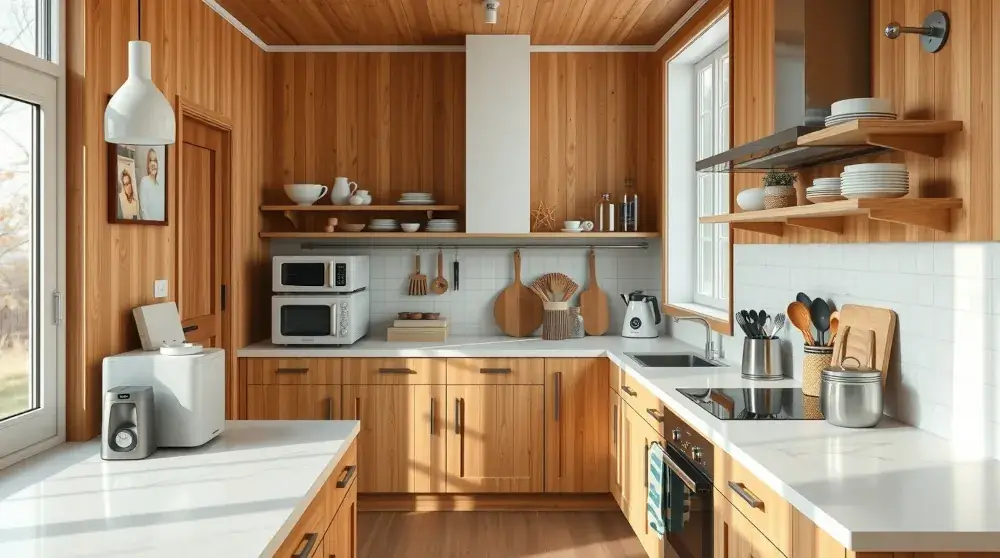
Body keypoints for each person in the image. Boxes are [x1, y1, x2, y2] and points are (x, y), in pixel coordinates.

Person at [138, 148, 165, 221]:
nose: (153, 164)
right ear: (147, 164)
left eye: (155, 161)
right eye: (150, 161)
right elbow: (143, 211)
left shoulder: (159, 185)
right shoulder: (144, 181)